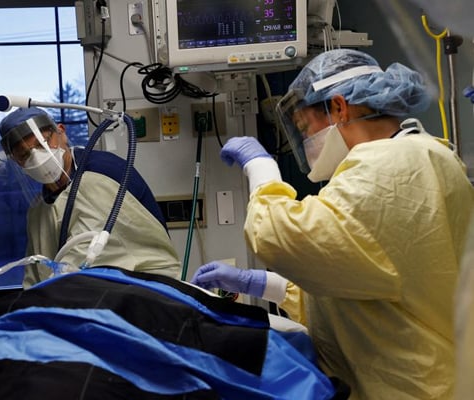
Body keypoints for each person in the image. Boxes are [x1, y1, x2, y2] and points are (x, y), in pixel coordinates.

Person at [191, 49, 474, 399]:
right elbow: (365, 283)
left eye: (304, 127)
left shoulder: (392, 164)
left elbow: (276, 237)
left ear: (339, 108)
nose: (306, 141)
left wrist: (260, 169)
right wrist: (267, 286)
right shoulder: (413, 158)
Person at [0, 107, 181, 287]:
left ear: (61, 132)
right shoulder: (39, 209)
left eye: (42, 144)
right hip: (88, 298)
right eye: (25, 154)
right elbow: (36, 271)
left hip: (142, 289)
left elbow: (88, 257)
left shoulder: (99, 175)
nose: (37, 158)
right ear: (16, 161)